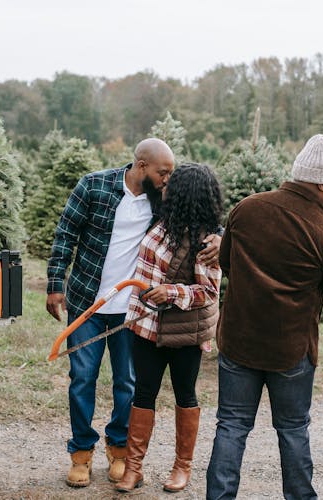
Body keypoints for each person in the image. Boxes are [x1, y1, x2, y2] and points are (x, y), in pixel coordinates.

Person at [205, 134, 323, 500]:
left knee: (232, 426)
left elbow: (226, 264)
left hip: (239, 342)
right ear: (320, 184)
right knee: (293, 429)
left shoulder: (246, 208)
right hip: (291, 351)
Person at [46, 138, 220, 487]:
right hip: (88, 301)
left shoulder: (163, 201)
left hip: (134, 311)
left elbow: (199, 216)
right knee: (83, 378)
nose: (168, 179)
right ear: (142, 166)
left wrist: (221, 236)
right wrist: (54, 284)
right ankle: (81, 453)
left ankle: (120, 450)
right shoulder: (93, 186)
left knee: (127, 382)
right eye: (163, 172)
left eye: (171, 174)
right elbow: (65, 233)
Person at [116, 163, 223, 494]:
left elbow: (208, 293)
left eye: (171, 186)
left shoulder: (207, 242)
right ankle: (134, 468)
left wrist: (172, 292)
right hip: (145, 325)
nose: (164, 187)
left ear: (185, 195)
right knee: (143, 393)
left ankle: (182, 468)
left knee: (184, 394)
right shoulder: (164, 222)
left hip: (183, 333)